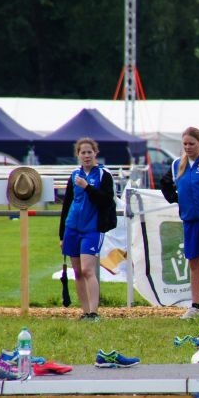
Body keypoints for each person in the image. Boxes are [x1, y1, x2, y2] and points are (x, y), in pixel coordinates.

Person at [159, 127, 199, 319]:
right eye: (185, 144)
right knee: (194, 262)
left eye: (191, 144)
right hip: (189, 221)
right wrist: (177, 199)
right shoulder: (177, 164)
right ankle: (195, 305)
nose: (188, 147)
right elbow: (165, 183)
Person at [59, 137, 116, 322]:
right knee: (77, 271)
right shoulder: (74, 174)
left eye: (89, 152)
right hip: (72, 227)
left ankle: (94, 312)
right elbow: (67, 203)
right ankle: (84, 312)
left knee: (87, 270)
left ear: (95, 153)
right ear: (78, 155)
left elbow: (106, 200)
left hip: (92, 228)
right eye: (83, 152)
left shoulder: (103, 174)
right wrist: (61, 234)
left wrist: (88, 187)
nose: (86, 156)